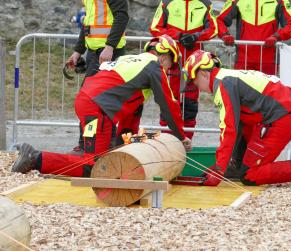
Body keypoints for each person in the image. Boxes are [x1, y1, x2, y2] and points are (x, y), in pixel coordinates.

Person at [12, 35, 192, 177]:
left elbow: (126, 132)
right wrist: (180, 137)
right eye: (170, 64)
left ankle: (39, 158)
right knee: (95, 166)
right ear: (164, 57)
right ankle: (35, 158)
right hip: (98, 108)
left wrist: (141, 140)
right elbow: (169, 105)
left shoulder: (132, 66)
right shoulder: (153, 67)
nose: (168, 70)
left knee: (94, 156)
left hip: (86, 102)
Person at [182, 50, 291, 186]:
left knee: (250, 175)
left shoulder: (222, 85)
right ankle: (237, 166)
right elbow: (238, 124)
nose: (198, 88)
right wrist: (223, 165)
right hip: (283, 111)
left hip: (282, 116)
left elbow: (229, 129)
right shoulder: (227, 77)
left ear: (203, 74)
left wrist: (219, 169)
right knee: (243, 142)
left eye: (195, 82)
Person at [66, 0, 129, 154]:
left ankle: (100, 145)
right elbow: (87, 24)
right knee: (91, 101)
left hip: (109, 52)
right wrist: (78, 51)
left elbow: (122, 17)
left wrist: (109, 47)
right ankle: (88, 145)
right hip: (95, 53)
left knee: (100, 102)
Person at [150, 0, 218, 139]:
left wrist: (196, 36)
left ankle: (186, 143)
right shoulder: (166, 3)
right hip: (172, 62)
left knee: (190, 107)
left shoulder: (205, 4)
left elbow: (213, 29)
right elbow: (155, 28)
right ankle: (167, 143)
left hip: (194, 63)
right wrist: (178, 36)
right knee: (169, 104)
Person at [216, 0, 291, 74]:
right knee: (241, 91)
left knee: (266, 91)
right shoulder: (236, 1)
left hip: (268, 60)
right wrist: (225, 34)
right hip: (243, 59)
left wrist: (277, 36)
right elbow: (219, 20)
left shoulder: (280, 1)